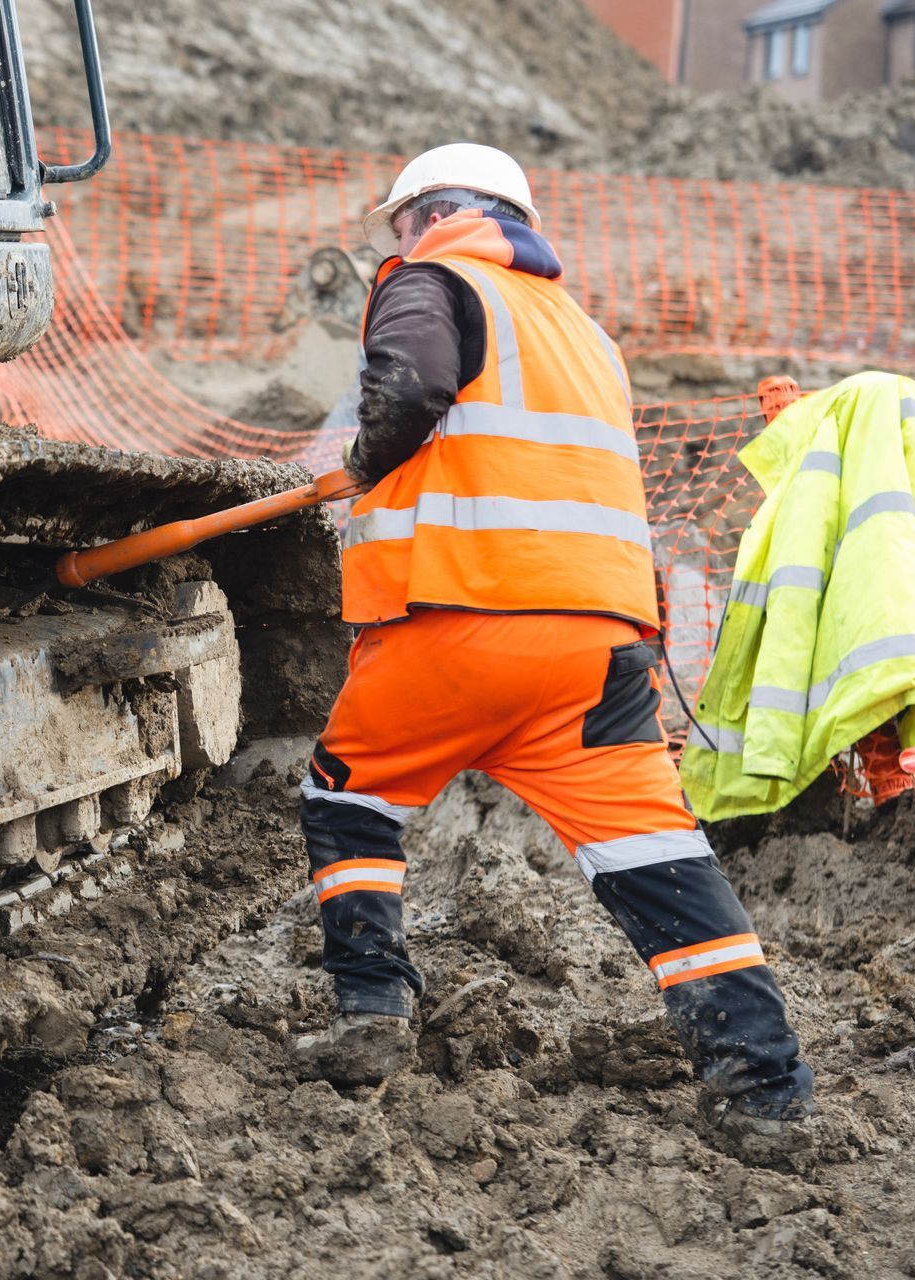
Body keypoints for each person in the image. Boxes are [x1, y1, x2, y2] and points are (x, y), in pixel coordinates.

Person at [290, 143, 815, 1151]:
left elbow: (410, 385)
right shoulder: (584, 333)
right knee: (660, 857)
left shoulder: (432, 277)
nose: (392, 242)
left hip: (462, 622)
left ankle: (370, 1013)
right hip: (603, 652)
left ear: (431, 215)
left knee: (345, 798)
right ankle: (764, 1086)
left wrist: (362, 460)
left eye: (397, 222)